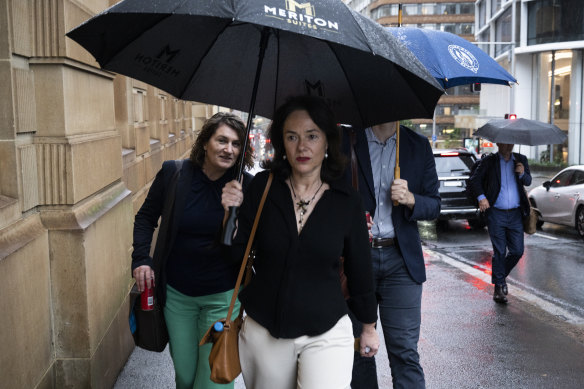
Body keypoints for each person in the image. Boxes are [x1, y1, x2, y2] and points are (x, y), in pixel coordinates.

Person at [221, 95, 379, 389]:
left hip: (326, 330)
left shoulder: (346, 202)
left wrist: (369, 326)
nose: (302, 146)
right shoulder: (262, 188)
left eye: (312, 136)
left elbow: (360, 269)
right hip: (264, 329)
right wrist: (229, 215)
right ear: (281, 144)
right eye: (292, 136)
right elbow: (234, 256)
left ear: (328, 142)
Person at [131, 112, 253, 389]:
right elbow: (145, 218)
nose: (229, 149)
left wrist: (232, 214)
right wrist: (141, 258)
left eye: (236, 144)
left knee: (212, 381)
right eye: (222, 140)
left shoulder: (245, 187)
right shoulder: (175, 174)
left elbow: (246, 245)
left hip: (223, 298)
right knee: (185, 378)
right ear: (205, 142)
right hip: (177, 297)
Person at [342, 121, 441, 389]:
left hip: (401, 261)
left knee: (405, 352)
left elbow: (434, 204)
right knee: (357, 350)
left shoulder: (418, 146)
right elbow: (329, 194)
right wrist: (348, 219)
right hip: (356, 260)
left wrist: (411, 199)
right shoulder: (347, 140)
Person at [468, 143, 531, 304]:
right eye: (505, 143)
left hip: (516, 214)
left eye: (511, 143)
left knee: (517, 251)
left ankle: (499, 278)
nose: (508, 146)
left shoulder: (521, 160)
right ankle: (499, 288)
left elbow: (528, 181)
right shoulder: (490, 161)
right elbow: (475, 180)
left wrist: (522, 173)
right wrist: (481, 197)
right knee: (500, 251)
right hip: (496, 213)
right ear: (498, 144)